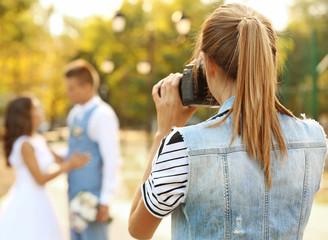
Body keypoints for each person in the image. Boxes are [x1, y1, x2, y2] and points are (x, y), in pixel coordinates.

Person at [128, 3, 327, 240]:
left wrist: (164, 133)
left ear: (206, 64)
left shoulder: (184, 147)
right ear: (271, 61)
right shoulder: (315, 139)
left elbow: (137, 229)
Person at [0, 96, 89, 240]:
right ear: (26, 114)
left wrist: (80, 142)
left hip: (41, 198)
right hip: (27, 199)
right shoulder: (25, 144)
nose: (41, 110)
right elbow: (40, 179)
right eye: (36, 108)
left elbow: (60, 159)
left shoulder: (39, 139)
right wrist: (69, 166)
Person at [64, 59, 121, 240]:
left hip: (93, 198)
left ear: (87, 87)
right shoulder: (74, 113)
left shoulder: (102, 115)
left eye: (72, 88)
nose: (68, 93)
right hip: (74, 193)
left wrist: (105, 200)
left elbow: (112, 160)